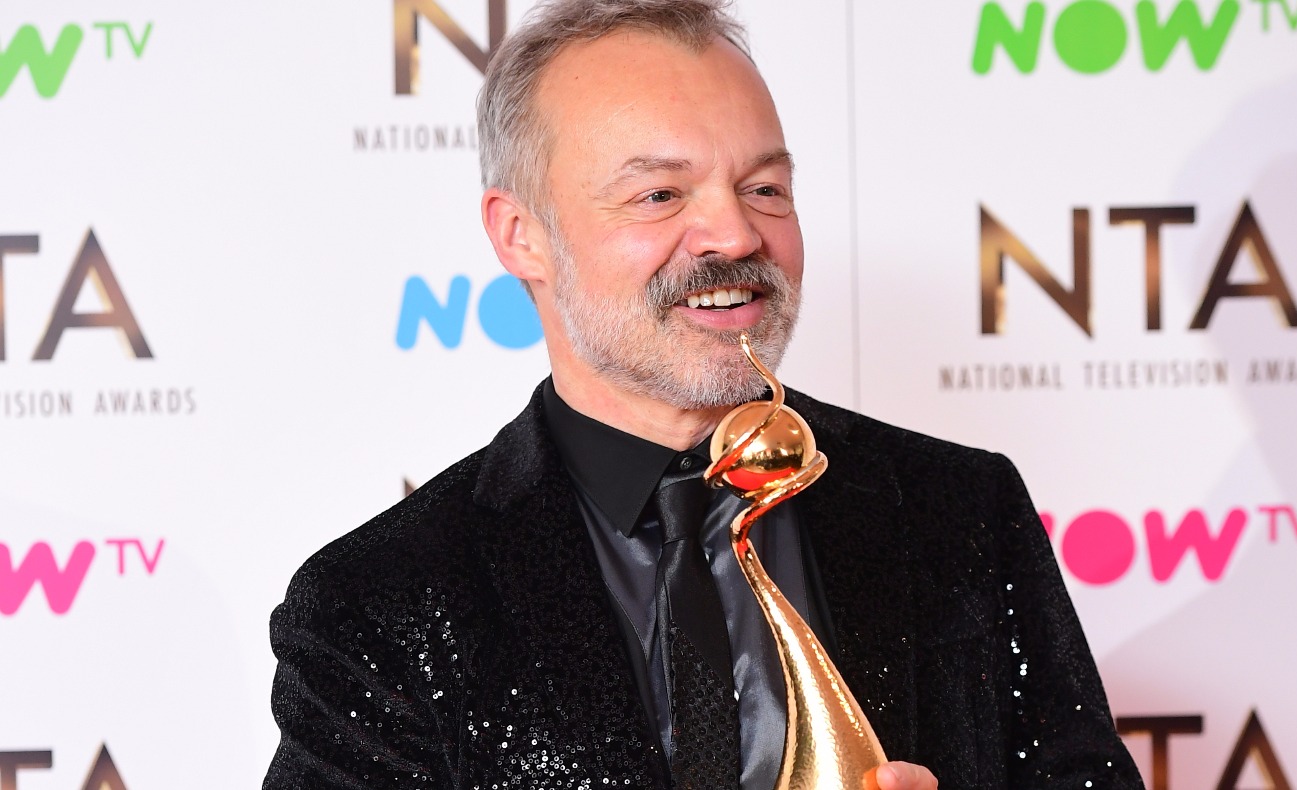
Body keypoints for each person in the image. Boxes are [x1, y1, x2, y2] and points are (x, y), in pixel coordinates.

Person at [263, 1, 1142, 788]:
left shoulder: (961, 510)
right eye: (660, 194)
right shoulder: (380, 600)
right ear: (522, 234)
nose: (735, 233)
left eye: (765, 188)